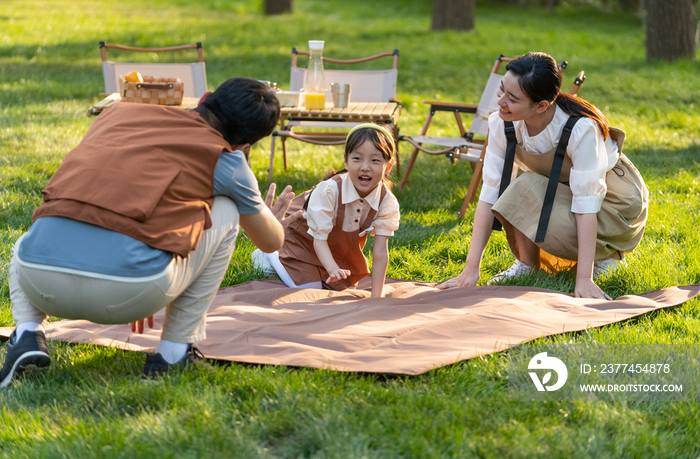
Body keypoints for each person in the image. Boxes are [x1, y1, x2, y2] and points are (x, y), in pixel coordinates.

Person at [1, 77, 300, 388]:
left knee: (51, 222)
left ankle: (26, 334)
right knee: (225, 209)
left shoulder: (117, 114)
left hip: (36, 279)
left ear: (206, 97)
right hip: (129, 292)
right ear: (244, 146)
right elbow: (270, 242)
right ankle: (173, 354)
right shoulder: (227, 161)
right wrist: (267, 217)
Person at [437, 52, 648, 300]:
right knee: (518, 190)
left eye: (512, 98)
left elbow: (586, 203)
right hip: (563, 189)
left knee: (524, 187)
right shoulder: (501, 123)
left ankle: (604, 257)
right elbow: (490, 192)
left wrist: (584, 280)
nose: (501, 102)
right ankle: (528, 264)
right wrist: (470, 270)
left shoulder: (579, 128)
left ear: (541, 105)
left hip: (615, 202)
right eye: (501, 90)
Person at [252, 123, 400, 298]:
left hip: (336, 249)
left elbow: (381, 251)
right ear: (346, 160)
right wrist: (333, 269)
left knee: (339, 292)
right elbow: (318, 240)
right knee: (313, 291)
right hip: (302, 241)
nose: (365, 167)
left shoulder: (387, 201)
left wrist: (377, 296)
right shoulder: (330, 190)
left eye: (375, 160)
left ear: (388, 166)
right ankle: (269, 256)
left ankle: (321, 270)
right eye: (357, 159)